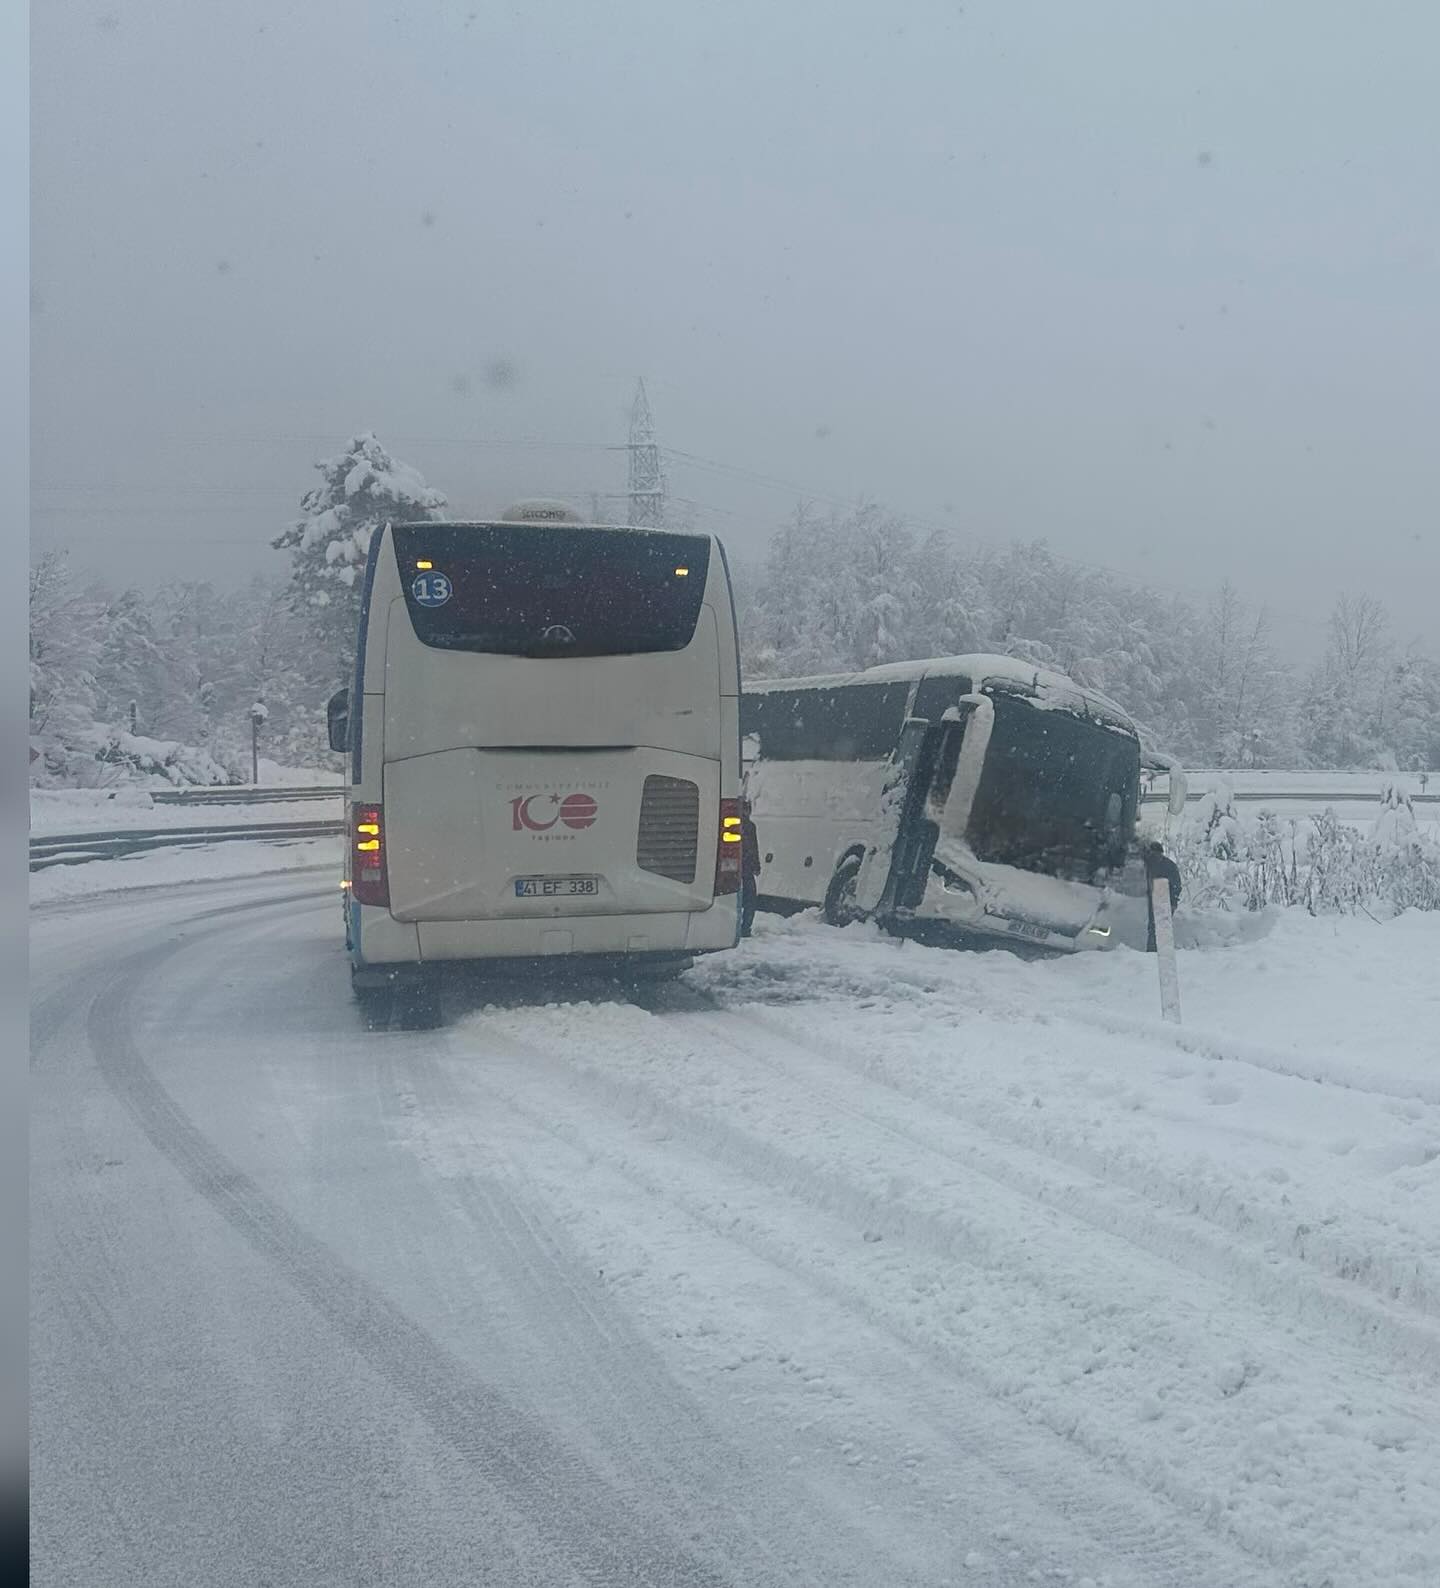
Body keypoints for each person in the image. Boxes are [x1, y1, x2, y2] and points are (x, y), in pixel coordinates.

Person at [1142, 840, 1182, 953]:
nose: (1154, 856)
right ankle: (1151, 950)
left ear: (1161, 853)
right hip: (1152, 897)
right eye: (1152, 854)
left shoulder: (1169, 866)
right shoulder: (1147, 863)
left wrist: (1173, 902)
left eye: (1157, 854)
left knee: (1163, 926)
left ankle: (1163, 950)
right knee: (1152, 926)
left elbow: (1176, 885)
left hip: (1165, 899)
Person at [740, 798, 761, 938]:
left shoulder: (746, 826)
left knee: (744, 898)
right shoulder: (749, 826)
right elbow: (753, 847)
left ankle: (744, 927)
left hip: (741, 866)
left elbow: (753, 846)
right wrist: (756, 864)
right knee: (750, 899)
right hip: (746, 866)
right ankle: (745, 928)